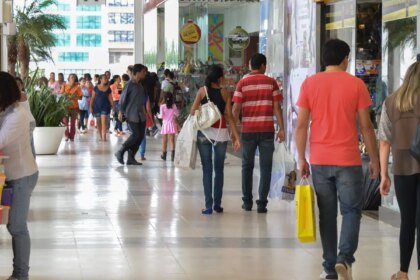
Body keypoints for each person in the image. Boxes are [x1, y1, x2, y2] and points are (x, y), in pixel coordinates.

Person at [295, 39, 379, 280]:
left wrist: (302, 158)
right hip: (349, 160)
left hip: (320, 160)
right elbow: (367, 127)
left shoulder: (310, 84)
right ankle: (345, 259)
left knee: (327, 214)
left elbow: (302, 125)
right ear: (345, 59)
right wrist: (374, 159)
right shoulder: (356, 85)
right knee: (352, 211)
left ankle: (330, 268)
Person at [378, 61, 420, 280]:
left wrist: (384, 174)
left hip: (403, 167)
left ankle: (403, 272)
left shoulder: (391, 101)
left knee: (408, 221)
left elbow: (384, 141)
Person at [232, 53, 285, 214]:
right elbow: (277, 108)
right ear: (262, 66)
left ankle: (247, 202)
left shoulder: (242, 83)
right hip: (267, 131)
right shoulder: (271, 83)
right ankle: (262, 203)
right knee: (266, 167)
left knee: (246, 166)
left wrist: (233, 132)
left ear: (250, 65)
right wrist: (282, 129)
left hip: (248, 131)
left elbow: (235, 110)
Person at [0, 72, 39, 280]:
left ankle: (21, 274)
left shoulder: (17, 115)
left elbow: (1, 139)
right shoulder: (7, 110)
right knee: (12, 224)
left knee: (17, 226)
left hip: (22, 176)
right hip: (11, 175)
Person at [191, 64, 241, 215]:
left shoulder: (202, 91)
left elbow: (193, 111)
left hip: (204, 134)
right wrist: (236, 137)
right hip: (221, 133)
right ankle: (217, 204)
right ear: (219, 78)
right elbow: (229, 116)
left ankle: (208, 206)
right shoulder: (225, 92)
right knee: (219, 170)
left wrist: (203, 109)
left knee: (207, 170)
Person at [115, 64, 147, 166]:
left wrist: (145, 113)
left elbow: (141, 101)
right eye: (143, 72)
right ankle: (120, 151)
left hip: (141, 115)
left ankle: (131, 158)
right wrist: (120, 112)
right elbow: (122, 99)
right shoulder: (129, 84)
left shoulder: (140, 85)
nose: (144, 73)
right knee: (135, 135)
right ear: (136, 72)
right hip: (131, 114)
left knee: (140, 137)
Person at [90, 75, 116, 142]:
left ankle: (104, 137)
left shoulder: (108, 88)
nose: (106, 79)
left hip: (105, 106)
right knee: (98, 123)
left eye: (107, 78)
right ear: (100, 79)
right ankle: (100, 136)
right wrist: (90, 107)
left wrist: (113, 106)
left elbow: (110, 98)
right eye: (104, 78)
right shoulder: (95, 88)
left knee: (104, 122)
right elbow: (92, 98)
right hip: (96, 107)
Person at [16, 77, 36, 156]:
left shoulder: (21, 94)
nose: (17, 86)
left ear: (22, 85)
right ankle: (33, 165)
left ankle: (32, 165)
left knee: (26, 145)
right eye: (15, 84)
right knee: (30, 144)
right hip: (25, 122)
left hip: (29, 122)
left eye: (18, 84)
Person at [61, 73, 82, 142]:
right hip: (65, 107)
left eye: (74, 77)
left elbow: (80, 97)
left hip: (74, 107)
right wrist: (67, 93)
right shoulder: (64, 86)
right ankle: (66, 136)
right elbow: (61, 95)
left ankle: (72, 136)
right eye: (71, 77)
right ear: (69, 78)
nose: (73, 78)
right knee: (65, 122)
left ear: (76, 79)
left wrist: (74, 96)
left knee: (73, 123)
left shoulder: (78, 87)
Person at [158, 92, 178, 161]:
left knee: (164, 140)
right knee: (172, 140)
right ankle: (173, 157)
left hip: (165, 124)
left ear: (164, 99)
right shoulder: (174, 106)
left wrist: (157, 115)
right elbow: (177, 114)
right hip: (172, 124)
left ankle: (164, 155)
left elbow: (161, 116)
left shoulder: (162, 106)